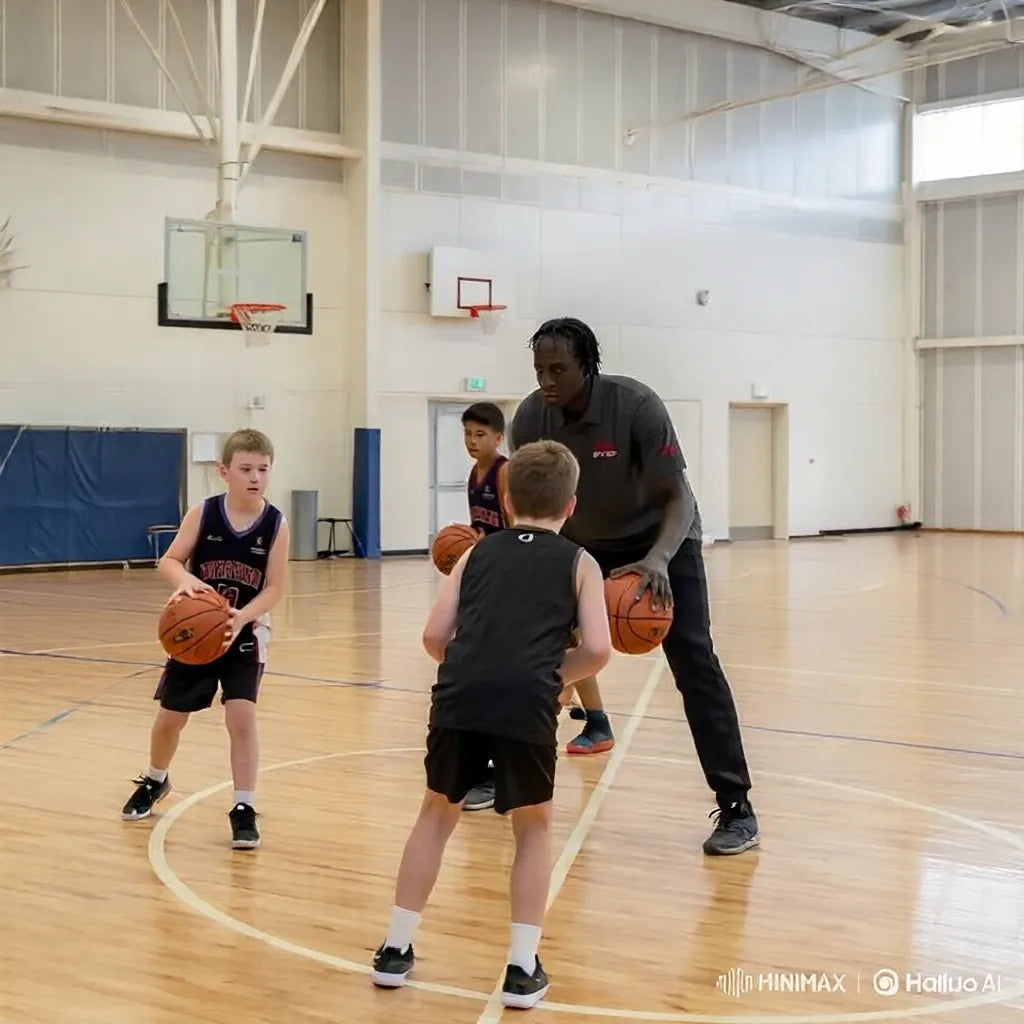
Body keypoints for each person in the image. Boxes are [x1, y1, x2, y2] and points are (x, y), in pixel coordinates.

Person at [371, 440, 612, 1008]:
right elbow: (598, 650)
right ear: (571, 506)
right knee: (532, 828)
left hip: (459, 693)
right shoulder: (580, 563)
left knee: (436, 815)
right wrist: (554, 680)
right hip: (527, 700)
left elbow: (433, 637)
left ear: (504, 500)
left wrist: (468, 669)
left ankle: (394, 950)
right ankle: (521, 968)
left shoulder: (473, 555)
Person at [510, 318, 759, 857]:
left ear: (587, 366)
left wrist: (659, 560)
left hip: (661, 540)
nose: (547, 381)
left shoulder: (637, 406)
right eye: (539, 370)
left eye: (559, 369)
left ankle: (736, 805)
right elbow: (531, 506)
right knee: (533, 656)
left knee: (694, 661)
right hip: (581, 544)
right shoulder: (532, 417)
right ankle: (502, 774)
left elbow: (679, 497)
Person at [120, 428, 290, 851]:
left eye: (263, 469)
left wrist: (242, 616)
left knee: (241, 718)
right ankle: (157, 779)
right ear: (224, 472)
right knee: (171, 718)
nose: (255, 477)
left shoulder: (275, 524)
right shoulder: (205, 513)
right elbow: (170, 560)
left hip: (245, 633)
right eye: (246, 469)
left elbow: (274, 589)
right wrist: (189, 584)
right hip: (196, 634)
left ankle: (244, 806)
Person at [460, 402, 510, 814]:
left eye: (480, 434)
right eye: (468, 434)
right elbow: (482, 528)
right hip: (487, 578)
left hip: (511, 577)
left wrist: (488, 546)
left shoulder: (504, 473)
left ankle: (498, 769)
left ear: (499, 436)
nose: (472, 442)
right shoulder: (473, 477)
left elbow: (515, 530)